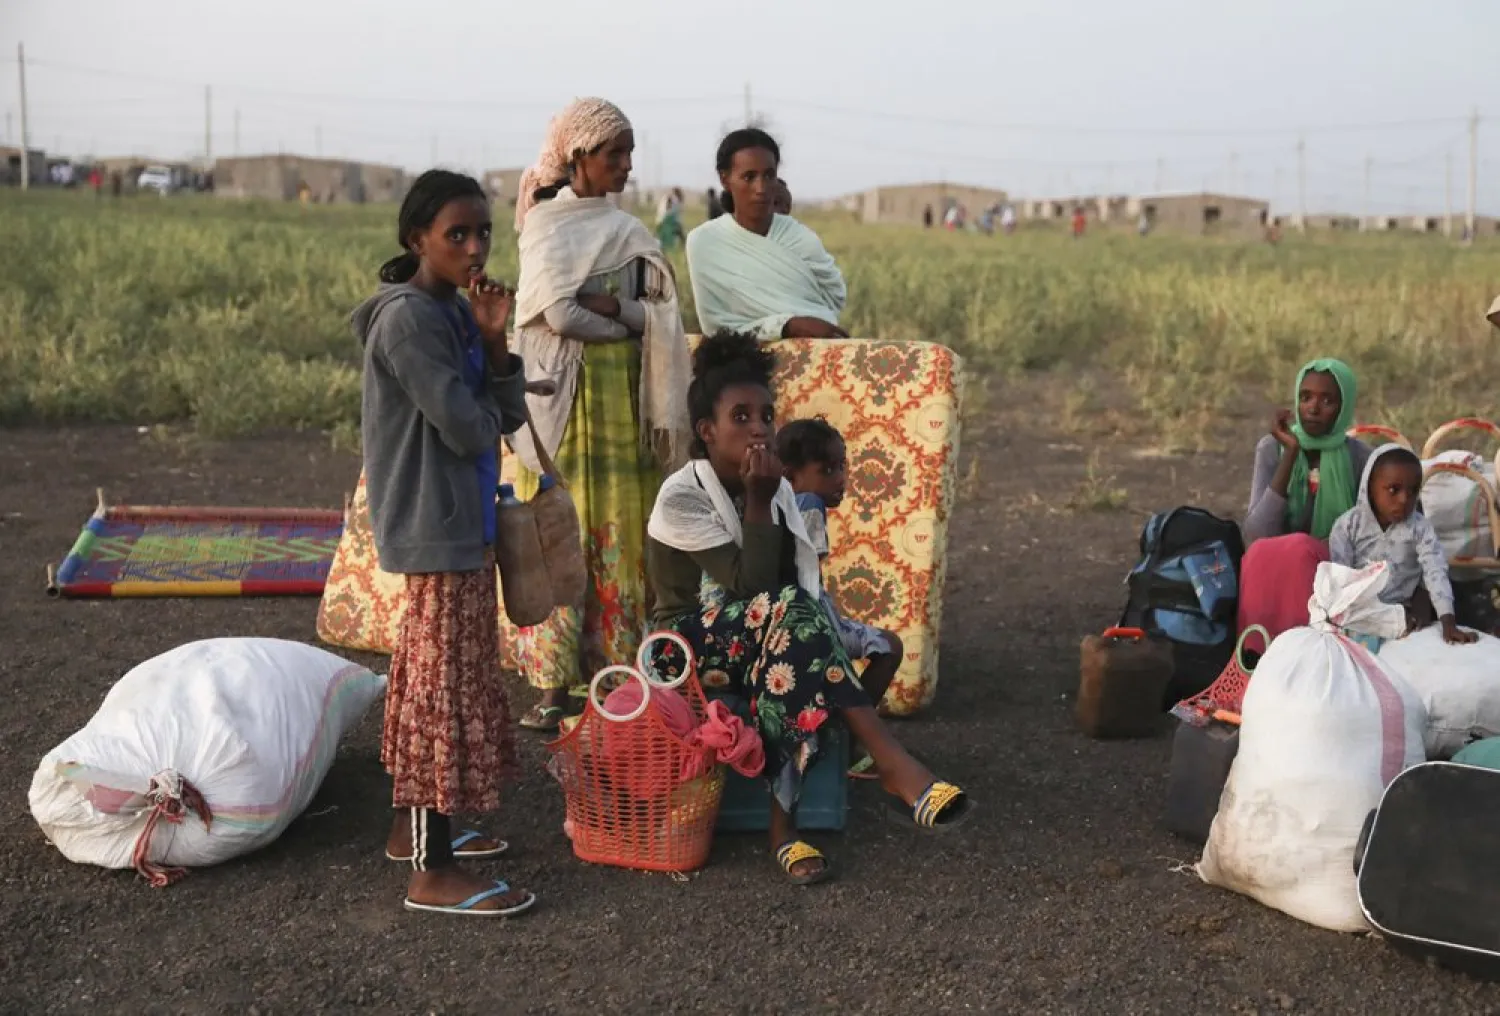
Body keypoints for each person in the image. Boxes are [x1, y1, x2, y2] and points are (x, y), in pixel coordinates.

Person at [646, 333, 972, 884]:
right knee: (794, 618)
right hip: (684, 644)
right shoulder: (683, 495)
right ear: (707, 432)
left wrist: (763, 496)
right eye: (741, 416)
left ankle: (787, 828)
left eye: (766, 415)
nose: (758, 427)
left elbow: (787, 583)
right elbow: (752, 588)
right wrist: (757, 496)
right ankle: (885, 764)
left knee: (795, 644)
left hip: (766, 627)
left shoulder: (772, 489)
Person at [350, 169, 536, 917]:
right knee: (440, 691)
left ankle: (409, 831)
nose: (474, 246)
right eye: (455, 233)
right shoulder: (408, 321)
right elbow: (468, 427)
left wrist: (494, 345)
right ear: (416, 238)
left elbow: (505, 413)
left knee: (430, 677)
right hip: (435, 526)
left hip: (460, 520)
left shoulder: (454, 313)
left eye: (482, 232)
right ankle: (432, 871)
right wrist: (486, 396)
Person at [509, 97, 693, 732]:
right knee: (561, 532)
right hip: (561, 405)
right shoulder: (545, 225)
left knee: (619, 528)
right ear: (578, 156)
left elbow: (662, 315)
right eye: (615, 154)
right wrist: (619, 324)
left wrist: (612, 313)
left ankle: (614, 678)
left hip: (622, 411)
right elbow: (556, 316)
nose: (626, 166)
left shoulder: (629, 231)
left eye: (630, 155)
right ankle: (552, 688)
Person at [777, 417, 904, 781]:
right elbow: (805, 574)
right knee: (888, 647)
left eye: (842, 467)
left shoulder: (774, 505)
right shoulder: (808, 502)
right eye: (827, 469)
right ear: (791, 476)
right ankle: (847, 747)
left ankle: (844, 744)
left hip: (790, 619)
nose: (840, 479)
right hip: (809, 623)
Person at [1238, 358, 1372, 651]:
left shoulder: (1359, 457)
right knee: (1265, 552)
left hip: (1334, 567)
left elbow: (1366, 537)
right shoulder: (1272, 447)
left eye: (1327, 400)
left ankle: (1306, 654)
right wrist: (1290, 453)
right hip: (1273, 563)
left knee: (1299, 549)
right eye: (1305, 397)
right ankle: (1255, 659)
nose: (1313, 408)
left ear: (1344, 406)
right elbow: (1256, 534)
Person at [685, 128, 847, 340]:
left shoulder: (799, 236)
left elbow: (835, 297)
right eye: (749, 177)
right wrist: (785, 326)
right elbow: (716, 327)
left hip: (814, 356)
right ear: (725, 180)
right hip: (742, 363)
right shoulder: (704, 242)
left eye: (769, 176)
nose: (761, 188)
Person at [1330, 445, 1476, 645]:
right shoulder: (1348, 526)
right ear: (1370, 487)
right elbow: (1340, 581)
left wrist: (1448, 623)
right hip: (1360, 611)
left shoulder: (1420, 527)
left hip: (1405, 611)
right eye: (1393, 490)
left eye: (1413, 490)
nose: (1404, 499)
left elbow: (1435, 571)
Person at [657, 187, 686, 251]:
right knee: (663, 235)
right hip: (667, 220)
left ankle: (683, 246)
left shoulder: (671, 198)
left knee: (663, 235)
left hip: (666, 220)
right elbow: (668, 210)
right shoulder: (671, 199)